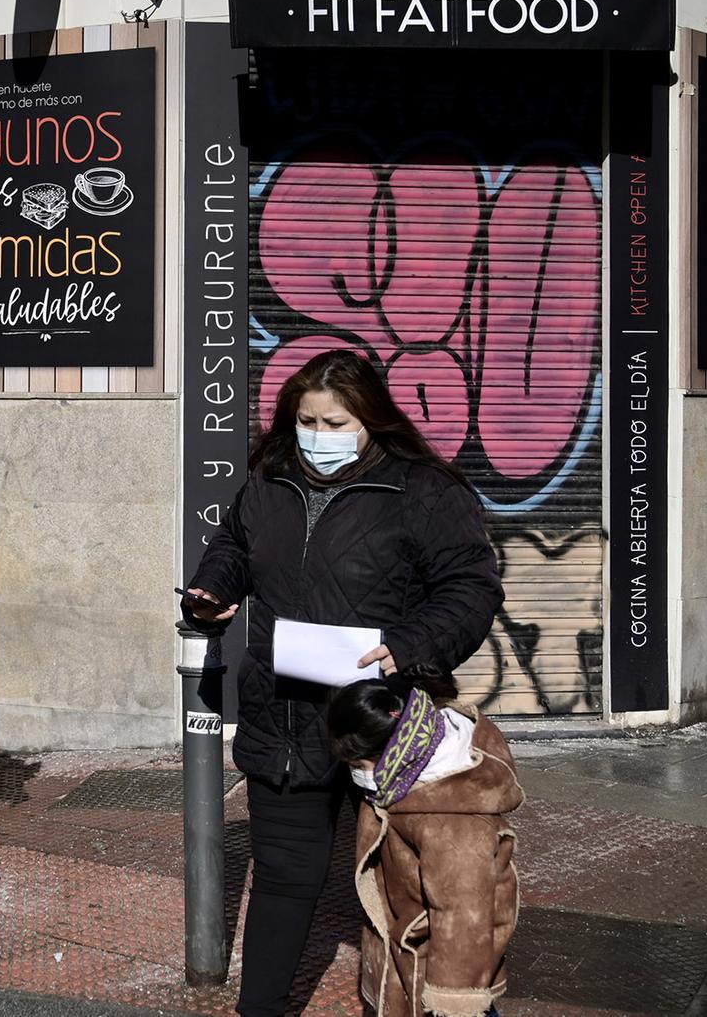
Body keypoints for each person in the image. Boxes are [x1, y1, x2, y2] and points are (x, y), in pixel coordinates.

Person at [183, 349, 504, 1017]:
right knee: (282, 878)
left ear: (371, 420)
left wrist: (409, 646)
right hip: (286, 717)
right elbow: (236, 546)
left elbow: (471, 588)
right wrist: (213, 587)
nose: (318, 435)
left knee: (413, 886)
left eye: (335, 421)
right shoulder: (268, 479)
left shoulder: (422, 490)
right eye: (307, 420)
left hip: (383, 717)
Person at [327, 668, 521, 1017]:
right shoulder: (413, 760)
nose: (357, 774)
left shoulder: (450, 818)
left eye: (357, 764)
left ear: (385, 752)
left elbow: (465, 918)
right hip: (415, 954)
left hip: (438, 974)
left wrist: (453, 1002)